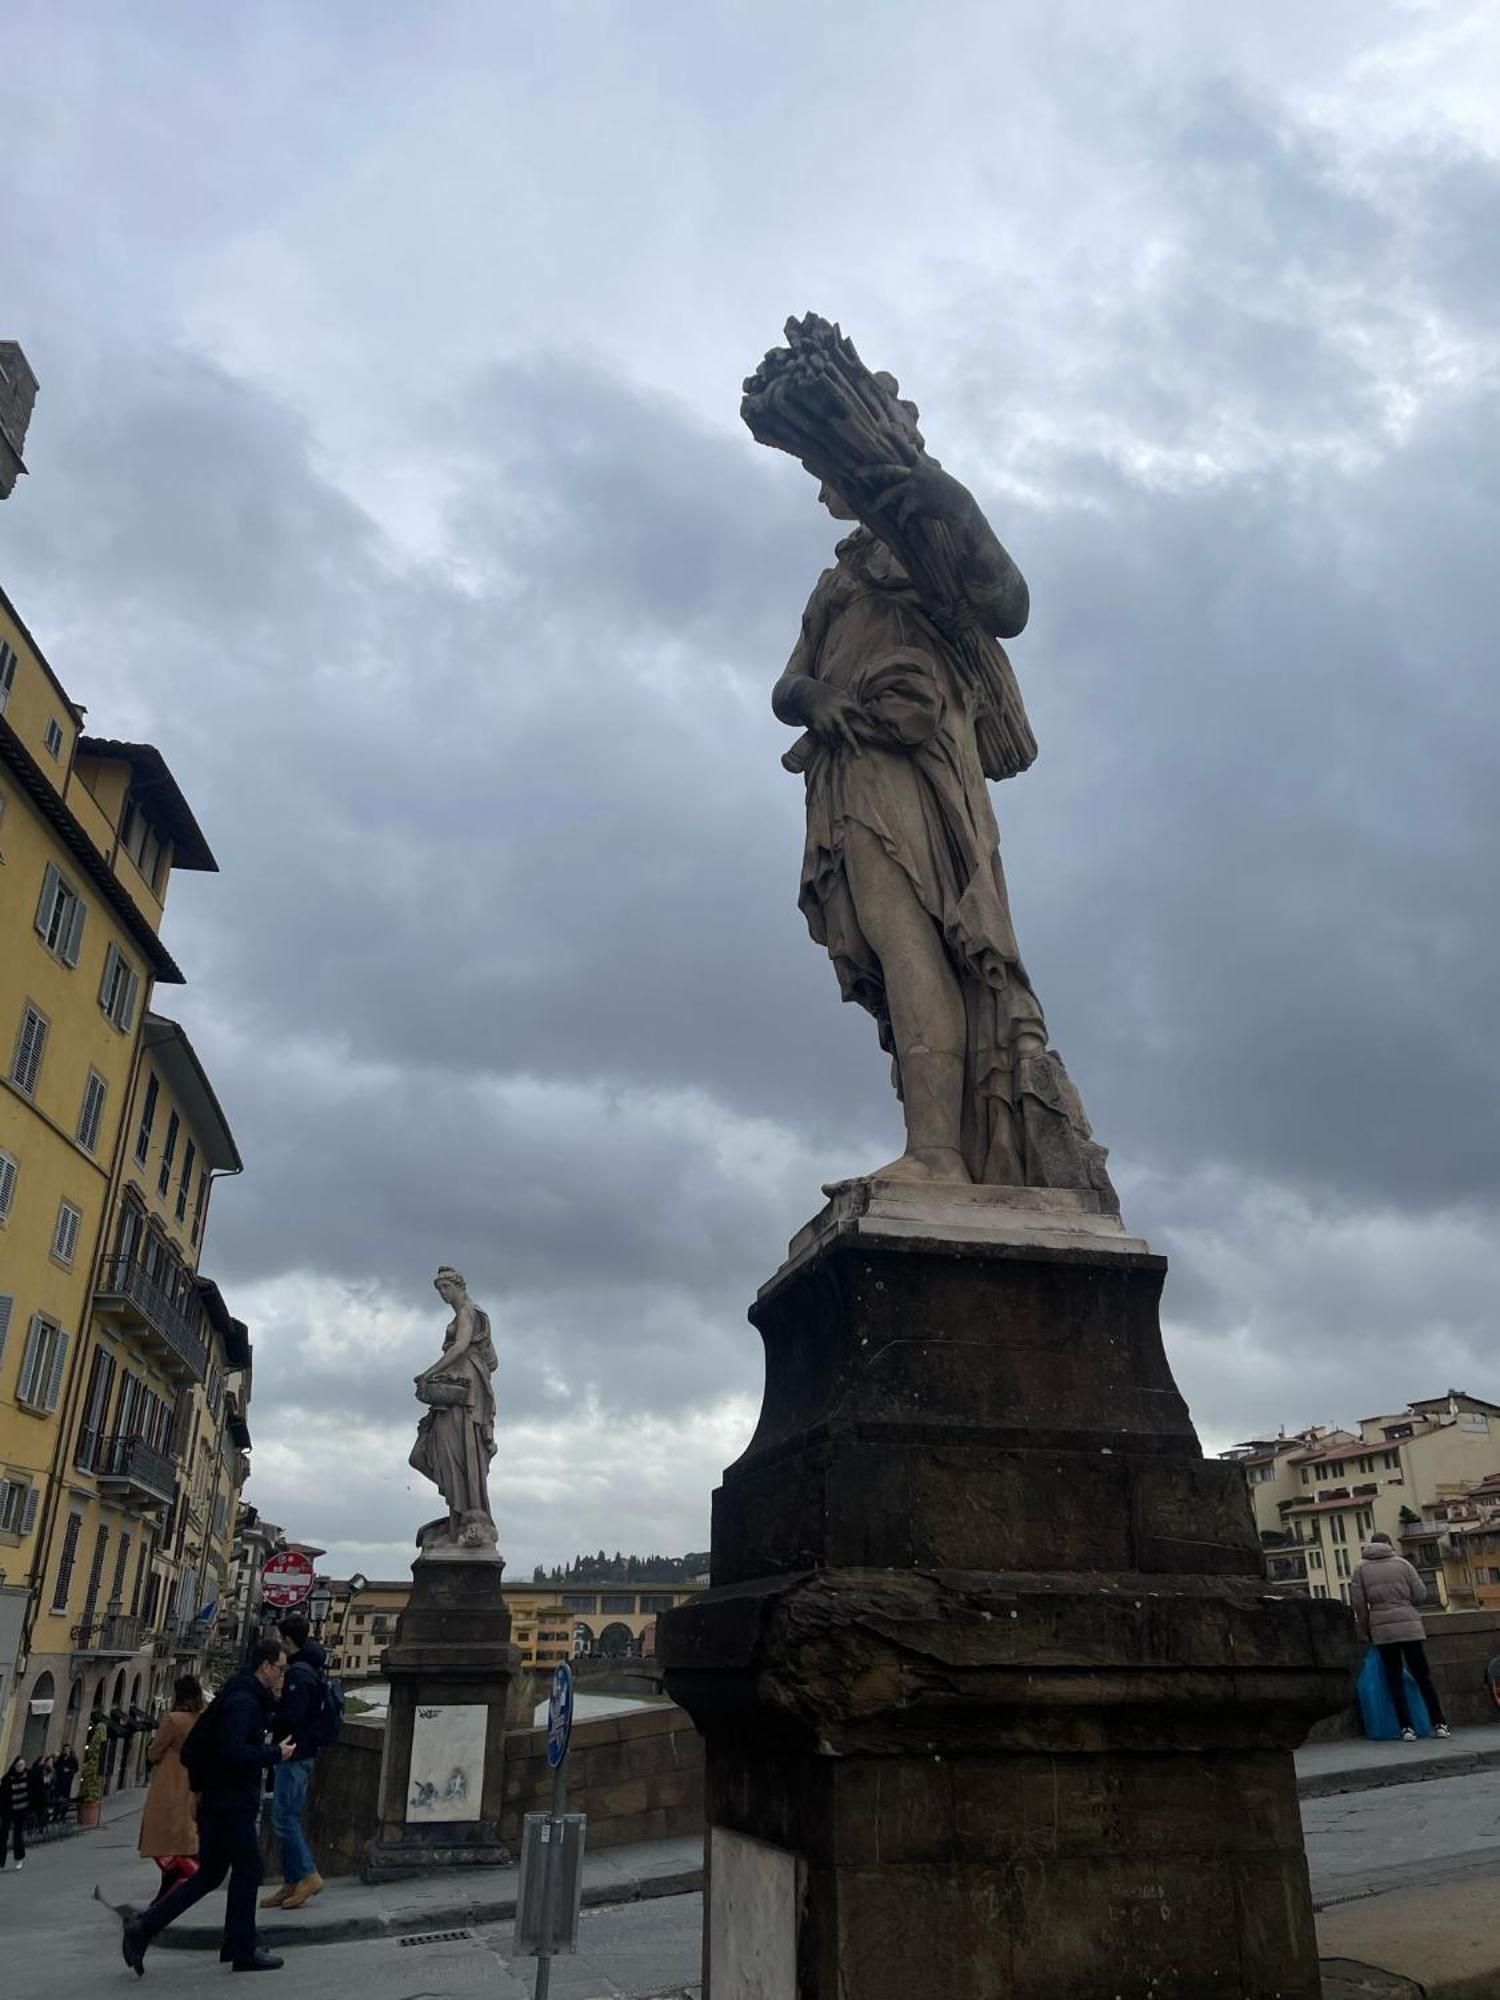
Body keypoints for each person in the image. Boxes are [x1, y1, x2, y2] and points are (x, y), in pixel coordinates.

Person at [120, 1641, 295, 1975]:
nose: (283, 1675)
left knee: (209, 1875)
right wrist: (275, 1754)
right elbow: (232, 1752)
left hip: (217, 1800)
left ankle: (144, 1928)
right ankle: (241, 1949)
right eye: (281, 1668)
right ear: (266, 1667)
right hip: (230, 1802)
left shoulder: (237, 1696)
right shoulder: (244, 1703)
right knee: (249, 1870)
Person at [1351, 1531, 1452, 1742]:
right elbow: (1420, 1594)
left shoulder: (1360, 1569)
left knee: (1394, 1679)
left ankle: (1406, 1728)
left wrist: (1365, 1629)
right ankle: (1439, 1723)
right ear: (1389, 1545)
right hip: (1410, 1626)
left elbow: (1359, 1604)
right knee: (1423, 1676)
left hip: (1382, 1629)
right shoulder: (1403, 1564)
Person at [261, 1617, 326, 1911]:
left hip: (295, 1753)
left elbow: (295, 1717)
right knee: (285, 1817)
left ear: (286, 1640)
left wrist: (272, 1716)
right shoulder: (310, 1667)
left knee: (285, 1817)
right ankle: (291, 1882)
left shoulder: (300, 1674)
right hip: (301, 1752)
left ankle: (309, 1875)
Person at [138, 1676, 204, 1903]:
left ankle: (174, 1879)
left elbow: (154, 1752)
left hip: (171, 1780)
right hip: (195, 1778)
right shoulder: (202, 1718)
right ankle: (173, 1882)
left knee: (162, 1836)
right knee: (184, 1835)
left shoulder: (173, 1720)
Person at [1, 1755, 30, 1870]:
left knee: (17, 1835)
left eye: (22, 1765)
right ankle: (1, 1861)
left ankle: (19, 1858)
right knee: (3, 1835)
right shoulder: (8, 1778)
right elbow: (2, 1794)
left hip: (21, 1810)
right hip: (8, 1810)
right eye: (18, 1765)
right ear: (14, 1765)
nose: (20, 1767)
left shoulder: (28, 1777)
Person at [52, 1742, 78, 1821]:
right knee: (57, 1798)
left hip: (67, 1781)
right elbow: (56, 1766)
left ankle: (63, 1815)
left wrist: (69, 1770)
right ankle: (55, 1814)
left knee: (65, 1798)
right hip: (59, 1780)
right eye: (64, 1750)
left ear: (70, 1750)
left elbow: (76, 1769)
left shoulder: (73, 1759)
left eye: (67, 1749)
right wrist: (55, 1762)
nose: (66, 1751)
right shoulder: (61, 1757)